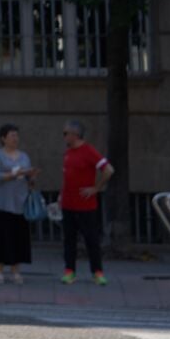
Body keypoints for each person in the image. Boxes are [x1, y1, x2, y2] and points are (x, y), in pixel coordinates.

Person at [59, 119, 114, 285]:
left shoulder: (89, 151)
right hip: (68, 203)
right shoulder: (67, 153)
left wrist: (96, 188)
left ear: (75, 134)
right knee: (69, 239)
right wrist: (61, 195)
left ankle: (97, 272)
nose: (64, 137)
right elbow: (67, 177)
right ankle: (69, 271)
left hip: (85, 205)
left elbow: (108, 170)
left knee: (91, 240)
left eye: (65, 133)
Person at [0, 123, 38, 285]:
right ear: (3, 138)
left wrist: (31, 177)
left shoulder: (24, 156)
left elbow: (29, 179)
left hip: (21, 203)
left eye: (17, 135)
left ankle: (16, 270)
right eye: (12, 135)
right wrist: (16, 173)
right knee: (3, 238)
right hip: (4, 204)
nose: (15, 138)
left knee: (19, 238)